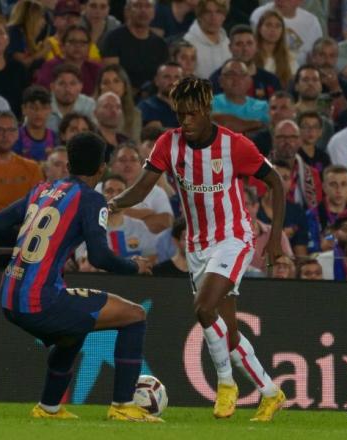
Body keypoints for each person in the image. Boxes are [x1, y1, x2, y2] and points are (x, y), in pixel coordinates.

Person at [110, 77, 287, 421]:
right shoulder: (168, 143)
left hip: (234, 237)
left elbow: (275, 181)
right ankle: (271, 392)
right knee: (229, 335)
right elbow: (143, 188)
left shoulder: (234, 145)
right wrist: (112, 203)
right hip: (197, 246)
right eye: (180, 114)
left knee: (204, 309)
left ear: (207, 110)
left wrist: (276, 236)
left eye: (192, 114)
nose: (185, 122)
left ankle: (226, 385)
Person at [0, 132, 161, 422]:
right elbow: (99, 257)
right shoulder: (92, 200)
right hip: (39, 300)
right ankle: (123, 406)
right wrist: (135, 266)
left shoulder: (42, 190)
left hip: (8, 296)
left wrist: (13, 260)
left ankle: (48, 408)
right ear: (102, 168)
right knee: (135, 315)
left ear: (68, 164)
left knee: (73, 332)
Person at [77, 174, 157, 271]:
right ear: (101, 195)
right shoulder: (88, 226)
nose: (115, 195)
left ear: (128, 196)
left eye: (120, 191)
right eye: (109, 191)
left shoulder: (139, 226)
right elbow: (83, 264)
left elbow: (151, 259)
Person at [101, 0, 169, 91]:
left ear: (153, 12)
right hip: (123, 95)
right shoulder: (113, 39)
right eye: (137, 6)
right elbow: (112, 76)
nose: (143, 10)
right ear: (127, 11)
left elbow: (163, 78)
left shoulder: (160, 44)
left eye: (148, 6)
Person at [209, 24, 281, 100]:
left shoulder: (271, 80)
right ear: (230, 47)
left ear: (256, 46)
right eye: (239, 44)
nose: (245, 48)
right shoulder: (217, 80)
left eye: (249, 43)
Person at [250, 0, 322, 66]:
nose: (281, 1)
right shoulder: (259, 15)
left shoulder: (312, 22)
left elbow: (317, 55)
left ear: (300, 1)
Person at [36, 25, 102, 96]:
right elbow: (42, 94)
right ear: (62, 47)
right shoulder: (51, 67)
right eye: (72, 42)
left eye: (83, 42)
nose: (78, 46)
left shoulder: (96, 69)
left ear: (89, 48)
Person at [211, 59, 269, 135]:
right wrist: (257, 124)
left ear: (250, 82)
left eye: (242, 75)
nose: (236, 79)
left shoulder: (263, 106)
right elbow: (226, 124)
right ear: (221, 81)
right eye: (230, 74)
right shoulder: (208, 103)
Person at [244, 185, 293, 273]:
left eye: (244, 205)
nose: (238, 209)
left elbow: (290, 266)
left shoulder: (276, 234)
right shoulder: (224, 237)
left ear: (256, 206)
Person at [182, 0, 229, 79]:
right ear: (199, 16)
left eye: (218, 12)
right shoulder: (188, 42)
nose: (213, 17)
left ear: (224, 16)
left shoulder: (227, 42)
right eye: (208, 12)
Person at [95, 64, 142, 141]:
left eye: (116, 81)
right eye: (106, 82)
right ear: (99, 87)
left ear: (125, 86)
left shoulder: (135, 114)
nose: (111, 86)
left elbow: (136, 144)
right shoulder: (90, 110)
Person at [252, 9, 297, 89]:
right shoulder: (251, 56)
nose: (273, 30)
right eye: (268, 25)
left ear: (282, 31)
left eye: (277, 26)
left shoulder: (289, 58)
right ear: (259, 28)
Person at [46, 63, 96, 133]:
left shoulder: (88, 104)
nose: (67, 89)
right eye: (62, 84)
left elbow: (94, 134)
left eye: (73, 83)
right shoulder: (43, 105)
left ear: (81, 86)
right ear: (52, 87)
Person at [13, 86, 58, 162]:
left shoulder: (54, 137)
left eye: (44, 108)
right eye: (33, 108)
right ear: (23, 109)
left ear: (50, 109)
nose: (38, 113)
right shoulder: (15, 137)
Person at [5, 0, 50, 70]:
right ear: (31, 17)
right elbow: (23, 63)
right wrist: (42, 52)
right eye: (41, 17)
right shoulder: (14, 32)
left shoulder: (27, 35)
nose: (44, 22)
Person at [137, 62, 183, 129]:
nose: (172, 81)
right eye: (167, 76)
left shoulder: (192, 108)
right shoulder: (145, 107)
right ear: (156, 81)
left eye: (177, 77)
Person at [317, 165, 347, 233]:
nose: (339, 190)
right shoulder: (312, 216)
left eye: (343, 184)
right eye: (333, 184)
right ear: (324, 187)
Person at [297, 111, 331, 176]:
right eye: (306, 126)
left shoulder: (324, 157)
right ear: (298, 130)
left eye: (315, 127)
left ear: (320, 132)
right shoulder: (294, 156)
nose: (311, 130)